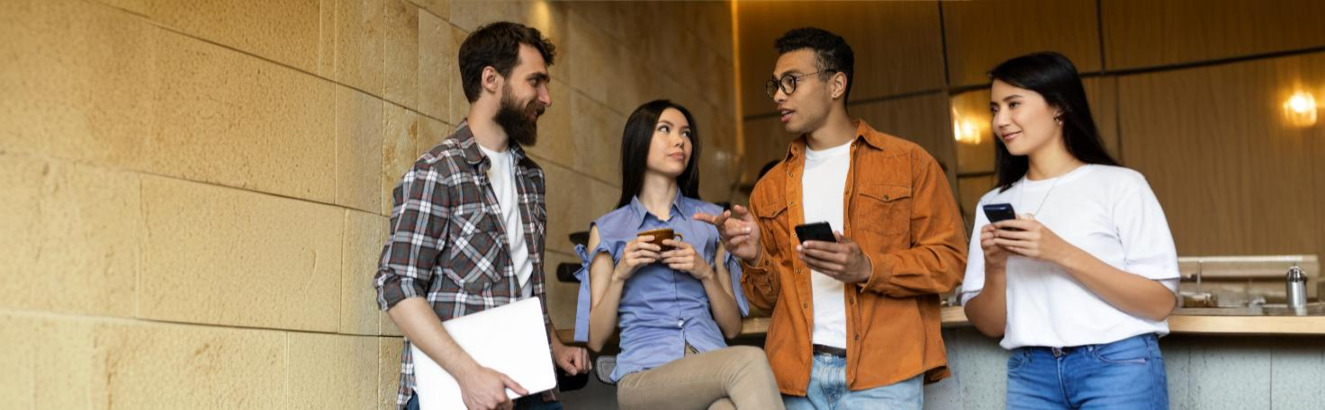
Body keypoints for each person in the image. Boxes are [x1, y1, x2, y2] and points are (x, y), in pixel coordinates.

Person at [696, 28, 966, 409]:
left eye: (791, 82)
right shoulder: (768, 189)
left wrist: (868, 267)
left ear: (836, 84)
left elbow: (950, 263)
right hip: (796, 377)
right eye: (774, 85)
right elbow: (768, 300)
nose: (778, 95)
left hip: (883, 373)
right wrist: (754, 256)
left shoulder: (909, 163)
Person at [373, 21, 589, 410]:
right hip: (456, 394)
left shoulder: (531, 177)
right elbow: (396, 285)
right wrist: (468, 374)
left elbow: (523, 282)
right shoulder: (437, 171)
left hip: (531, 386)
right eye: (536, 82)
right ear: (491, 79)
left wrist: (555, 346)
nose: (547, 98)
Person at [961, 51, 1179, 410]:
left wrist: (1059, 251)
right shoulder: (994, 202)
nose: (1001, 120)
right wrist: (996, 268)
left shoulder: (1121, 185)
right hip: (1031, 374)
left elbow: (1160, 302)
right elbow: (990, 325)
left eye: (1014, 104)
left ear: (1058, 107)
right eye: (994, 108)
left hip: (1118, 367)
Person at [572, 100, 783, 410]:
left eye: (686, 133)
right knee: (749, 360)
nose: (680, 141)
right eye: (666, 130)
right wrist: (621, 273)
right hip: (645, 374)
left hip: (709, 363)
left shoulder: (711, 222)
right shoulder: (608, 229)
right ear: (639, 140)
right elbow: (596, 339)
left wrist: (705, 273)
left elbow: (732, 328)